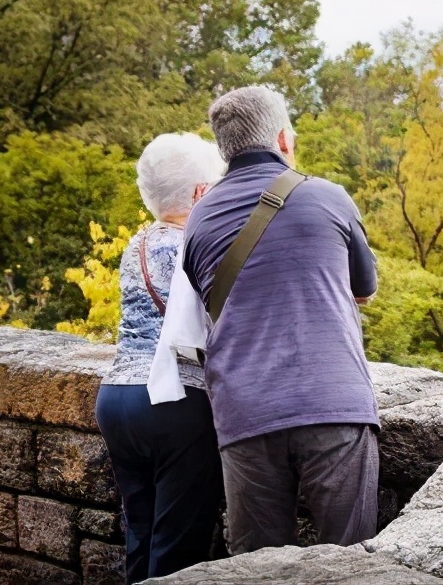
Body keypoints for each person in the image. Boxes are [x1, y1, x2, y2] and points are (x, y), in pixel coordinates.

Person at [161, 85, 380, 555]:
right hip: (334, 404)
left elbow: (212, 303)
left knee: (256, 569)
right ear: (284, 139)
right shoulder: (329, 197)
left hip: (245, 412)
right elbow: (364, 291)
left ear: (224, 149)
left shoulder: (197, 219)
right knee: (351, 564)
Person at [94, 133, 226, 584]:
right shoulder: (194, 244)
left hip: (116, 399)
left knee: (143, 537)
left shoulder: (138, 244)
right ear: (199, 193)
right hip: (173, 400)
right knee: (176, 553)